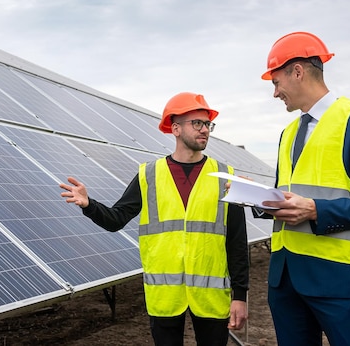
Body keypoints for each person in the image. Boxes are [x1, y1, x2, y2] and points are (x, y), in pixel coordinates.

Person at [59, 92, 249, 346]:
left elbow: (237, 240)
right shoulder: (149, 175)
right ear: (176, 128)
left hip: (212, 296)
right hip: (165, 296)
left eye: (208, 124)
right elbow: (116, 220)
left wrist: (241, 295)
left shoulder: (226, 176)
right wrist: (89, 204)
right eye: (197, 123)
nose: (205, 130)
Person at [256, 32, 350, 346]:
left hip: (341, 281)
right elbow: (290, 191)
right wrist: (262, 201)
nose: (275, 93)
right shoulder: (289, 132)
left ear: (298, 71)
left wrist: (315, 209)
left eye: (276, 82)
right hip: (285, 281)